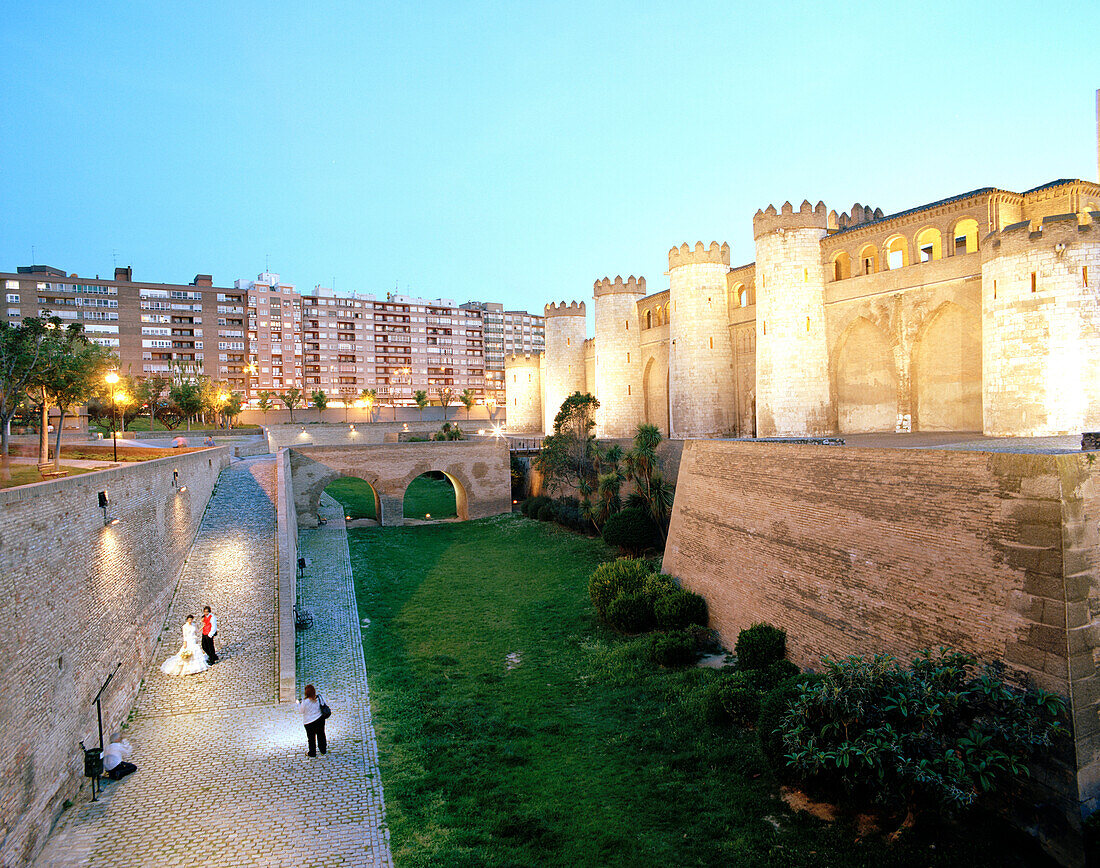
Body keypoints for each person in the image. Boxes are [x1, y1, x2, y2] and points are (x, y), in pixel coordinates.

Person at [298, 684, 327, 757]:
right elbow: (323, 705)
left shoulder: (305, 702)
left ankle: (312, 752)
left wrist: (299, 704)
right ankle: (323, 749)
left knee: (311, 738)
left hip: (309, 722)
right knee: (321, 734)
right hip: (319, 719)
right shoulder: (319, 698)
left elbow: (301, 711)